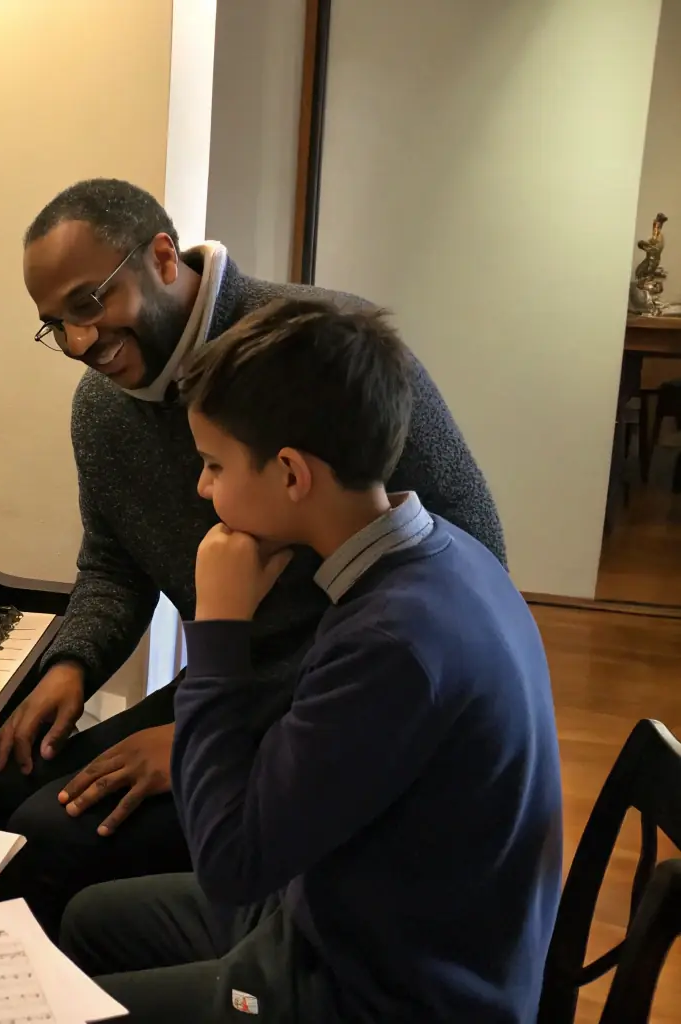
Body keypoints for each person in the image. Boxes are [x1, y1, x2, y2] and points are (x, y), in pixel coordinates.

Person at [0, 178, 507, 934]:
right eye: (54, 324)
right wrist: (71, 663)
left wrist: (210, 735)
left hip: (333, 706)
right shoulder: (100, 411)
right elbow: (112, 565)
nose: (78, 342)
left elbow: (469, 545)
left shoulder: (317, 345)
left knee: (50, 840)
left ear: (161, 257)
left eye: (89, 304)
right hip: (232, 685)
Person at [58, 298, 562, 1023]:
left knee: (65, 1007)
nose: (202, 489)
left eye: (211, 465)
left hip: (389, 989)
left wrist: (219, 627)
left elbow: (231, 864)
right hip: (363, 907)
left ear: (291, 473)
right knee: (88, 918)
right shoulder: (439, 551)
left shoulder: (392, 641)